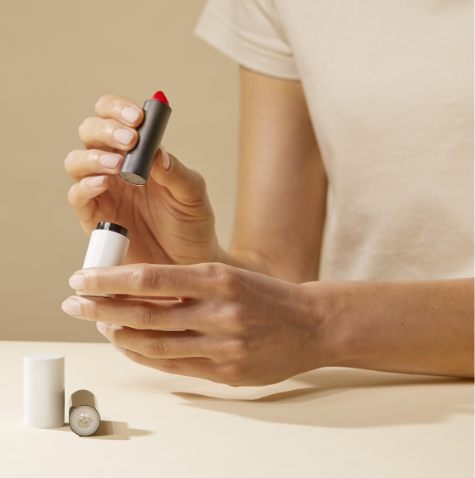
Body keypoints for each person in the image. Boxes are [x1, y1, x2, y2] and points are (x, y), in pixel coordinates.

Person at [60, 0, 474, 386]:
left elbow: (304, 317)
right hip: (366, 398)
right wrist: (192, 274)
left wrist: (323, 325)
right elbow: (278, 271)